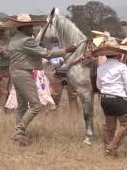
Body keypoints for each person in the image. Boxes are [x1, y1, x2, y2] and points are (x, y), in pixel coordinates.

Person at [7, 14, 78, 146]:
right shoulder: (26, 41)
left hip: (15, 73)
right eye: (30, 26)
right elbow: (46, 54)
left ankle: (20, 134)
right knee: (36, 105)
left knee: (22, 107)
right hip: (23, 73)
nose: (32, 28)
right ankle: (19, 131)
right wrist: (66, 50)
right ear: (25, 27)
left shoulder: (14, 39)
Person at [95, 45, 127, 156]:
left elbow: (98, 85)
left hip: (105, 99)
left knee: (110, 126)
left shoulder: (100, 68)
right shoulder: (121, 67)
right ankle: (112, 146)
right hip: (118, 98)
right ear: (118, 54)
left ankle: (108, 150)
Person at [47, 40, 79, 114]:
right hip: (58, 75)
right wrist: (61, 62)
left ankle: (75, 118)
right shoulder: (55, 49)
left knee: (73, 97)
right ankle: (52, 117)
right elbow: (53, 63)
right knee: (55, 97)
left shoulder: (74, 47)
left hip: (71, 76)